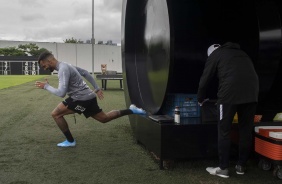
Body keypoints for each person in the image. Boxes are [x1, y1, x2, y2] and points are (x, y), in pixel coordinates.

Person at [35, 51, 146, 147]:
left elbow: (61, 93)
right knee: (104, 118)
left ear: (49, 61)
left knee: (56, 114)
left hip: (81, 99)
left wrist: (46, 86)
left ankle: (70, 141)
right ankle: (133, 110)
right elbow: (84, 72)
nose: (44, 68)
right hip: (89, 96)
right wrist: (96, 88)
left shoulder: (63, 69)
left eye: (44, 65)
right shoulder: (66, 65)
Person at [197, 42, 259, 178]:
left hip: (229, 95)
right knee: (245, 130)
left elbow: (205, 79)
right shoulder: (242, 53)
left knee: (224, 130)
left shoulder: (215, 55)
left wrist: (200, 99)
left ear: (210, 53)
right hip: (252, 93)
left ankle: (223, 168)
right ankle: (241, 165)